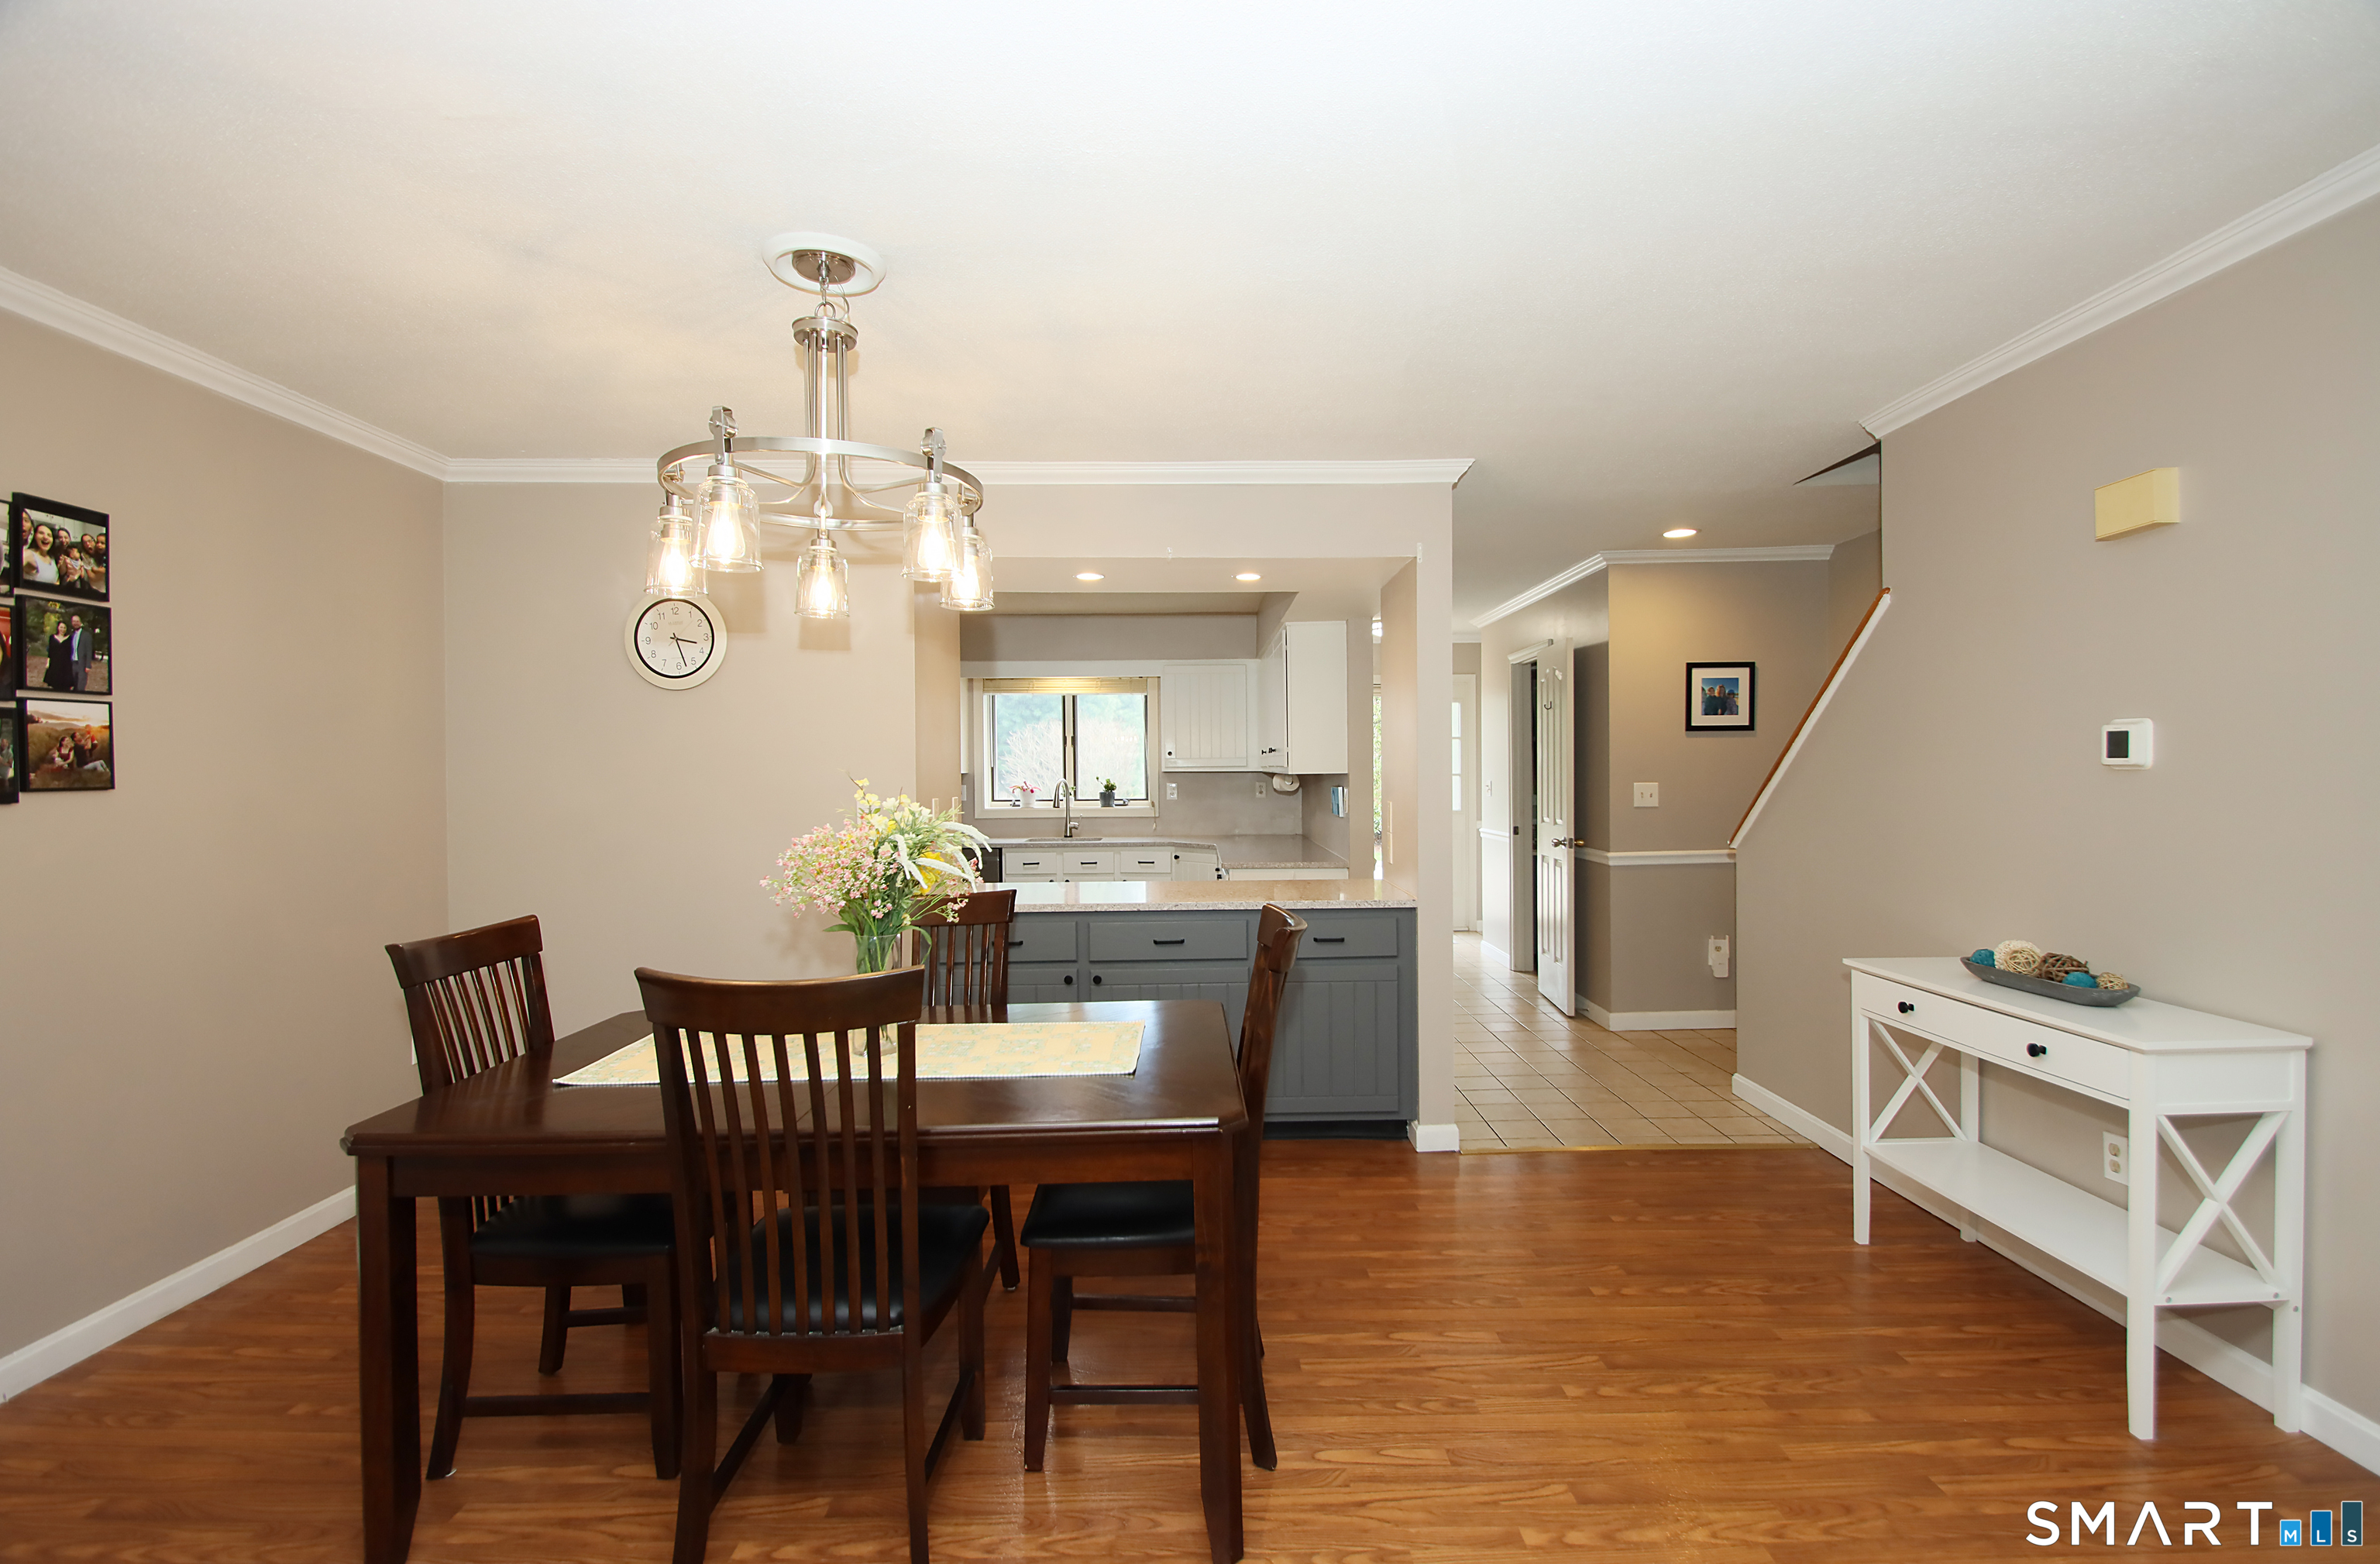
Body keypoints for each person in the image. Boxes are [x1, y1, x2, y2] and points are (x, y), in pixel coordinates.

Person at [62, 614, 95, 692]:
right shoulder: (72, 635)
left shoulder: (86, 635)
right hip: (73, 663)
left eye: (77, 621)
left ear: (80, 623)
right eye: (74, 621)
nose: (75, 623)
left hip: (82, 664)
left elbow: (89, 651)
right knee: (74, 685)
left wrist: (88, 665)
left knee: (81, 686)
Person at [20, 521, 59, 586]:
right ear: (35, 536)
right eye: (41, 533)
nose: (45, 537)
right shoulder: (29, 554)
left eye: (49, 535)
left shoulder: (52, 559)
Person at [43, 617, 73, 690]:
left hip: (66, 664)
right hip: (55, 663)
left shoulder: (70, 638)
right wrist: (48, 662)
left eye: (64, 628)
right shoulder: (52, 637)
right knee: (54, 683)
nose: (63, 629)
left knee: (65, 685)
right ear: (58, 628)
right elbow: (51, 651)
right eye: (61, 627)